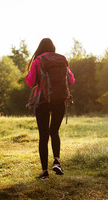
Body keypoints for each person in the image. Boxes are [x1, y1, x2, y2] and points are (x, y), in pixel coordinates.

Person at [26, 38, 75, 180]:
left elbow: (31, 82)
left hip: (42, 101)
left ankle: (44, 172)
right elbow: (71, 80)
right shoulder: (61, 60)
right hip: (60, 100)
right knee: (54, 132)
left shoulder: (38, 61)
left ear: (40, 48)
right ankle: (57, 162)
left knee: (43, 135)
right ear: (53, 48)